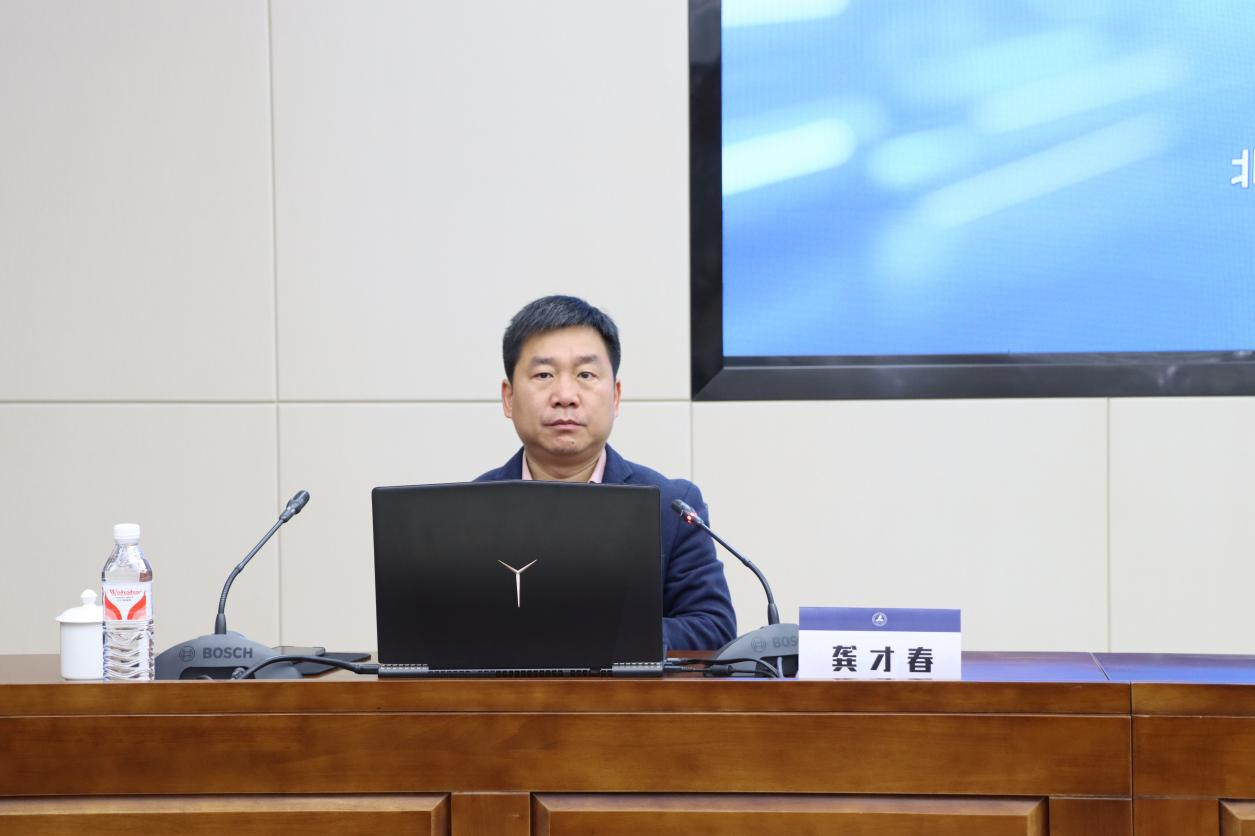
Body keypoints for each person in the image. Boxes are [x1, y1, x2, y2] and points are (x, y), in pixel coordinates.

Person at [475, 295, 737, 651]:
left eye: (585, 375)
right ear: (509, 398)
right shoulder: (469, 510)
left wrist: (613, 635)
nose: (565, 395)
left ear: (615, 396)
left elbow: (714, 626)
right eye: (543, 375)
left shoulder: (671, 507)